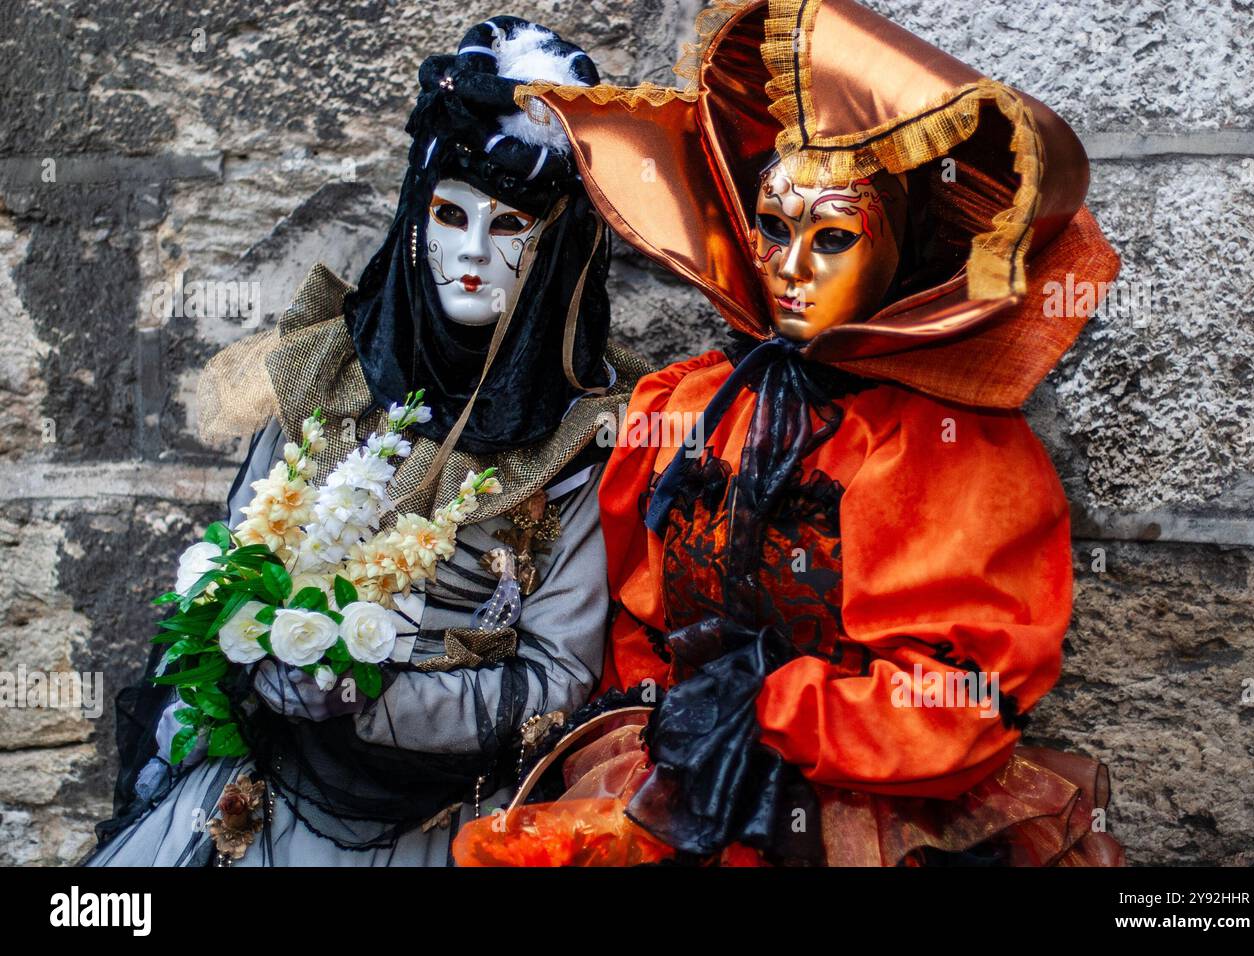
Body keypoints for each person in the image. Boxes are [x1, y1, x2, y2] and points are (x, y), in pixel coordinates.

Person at [453, 0, 1125, 867]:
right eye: (773, 226)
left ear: (906, 249)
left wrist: (774, 706)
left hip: (873, 819)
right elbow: (635, 607)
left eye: (834, 236)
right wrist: (668, 715)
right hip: (671, 789)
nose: (790, 268)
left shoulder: (946, 452)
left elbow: (966, 699)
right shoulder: (690, 406)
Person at [87, 16, 647, 867]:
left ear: (558, 245)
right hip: (260, 783)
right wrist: (254, 647)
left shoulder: (583, 433)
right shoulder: (332, 369)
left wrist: (371, 700)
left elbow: (559, 679)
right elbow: (240, 553)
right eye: (449, 216)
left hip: (447, 813)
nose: (468, 255)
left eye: (506, 229)